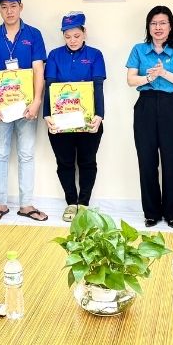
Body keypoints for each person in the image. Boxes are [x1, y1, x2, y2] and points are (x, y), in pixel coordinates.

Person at [0, 0, 48, 222]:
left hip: (27, 105)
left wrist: (37, 101)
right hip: (0, 107)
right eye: (4, 7)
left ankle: (26, 204)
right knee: (0, 153)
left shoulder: (34, 34)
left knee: (26, 154)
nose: (9, 11)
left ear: (21, 7)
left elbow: (38, 69)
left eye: (13, 6)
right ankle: (0, 203)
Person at [126, 5, 173, 229]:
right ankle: (151, 213)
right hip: (145, 105)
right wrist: (149, 78)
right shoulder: (138, 49)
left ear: (170, 26)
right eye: (154, 23)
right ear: (148, 26)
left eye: (163, 23)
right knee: (146, 160)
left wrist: (163, 72)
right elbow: (131, 79)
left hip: (171, 106)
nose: (158, 27)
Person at [43, 12, 107, 222]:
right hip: (60, 121)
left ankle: (84, 204)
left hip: (88, 120)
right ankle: (71, 202)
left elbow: (98, 86)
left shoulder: (95, 55)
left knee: (88, 162)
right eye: (68, 36)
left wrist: (99, 115)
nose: (72, 40)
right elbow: (50, 86)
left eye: (77, 36)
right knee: (65, 163)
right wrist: (47, 115)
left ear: (84, 33)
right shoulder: (54, 55)